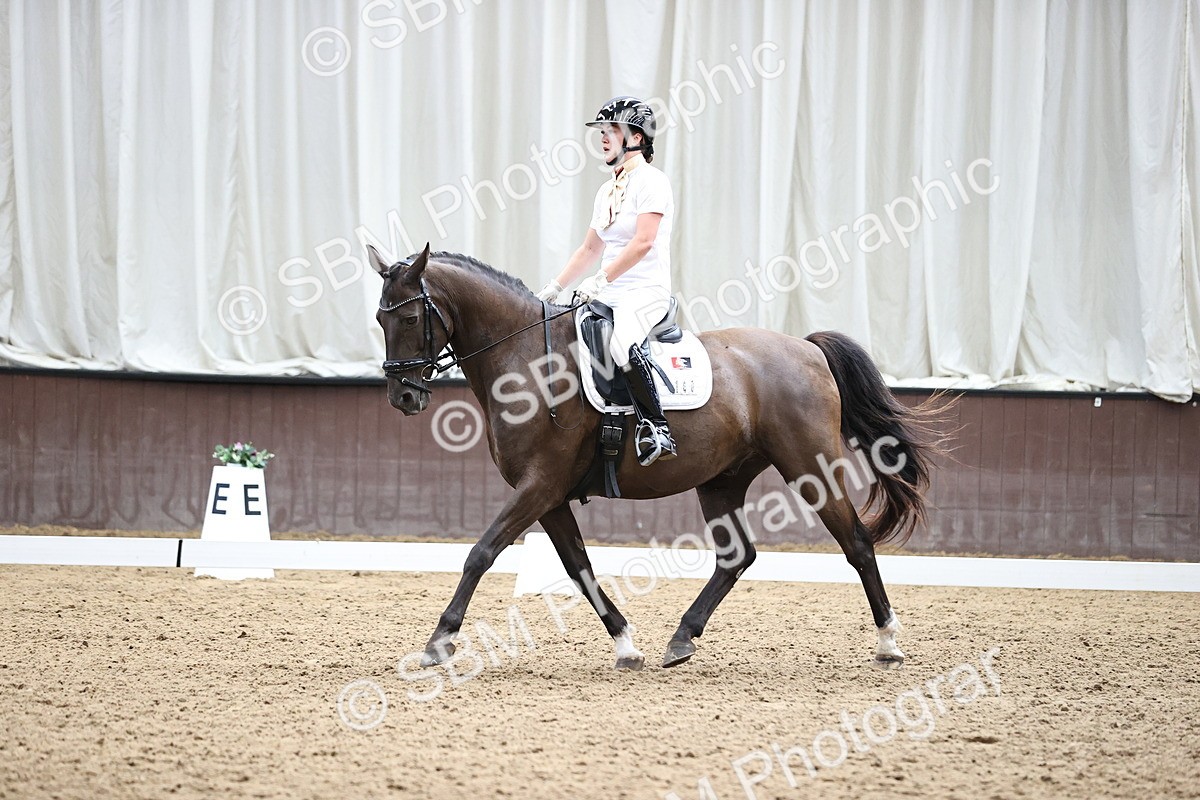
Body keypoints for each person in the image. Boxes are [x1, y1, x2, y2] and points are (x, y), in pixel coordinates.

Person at [536, 96, 677, 466]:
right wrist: (553, 289)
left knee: (622, 344)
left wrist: (600, 280)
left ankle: (656, 428)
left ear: (637, 137)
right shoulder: (607, 190)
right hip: (608, 289)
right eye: (601, 131)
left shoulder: (652, 182)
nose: (603, 137)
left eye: (612, 130)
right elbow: (588, 249)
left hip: (644, 290)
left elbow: (643, 241)